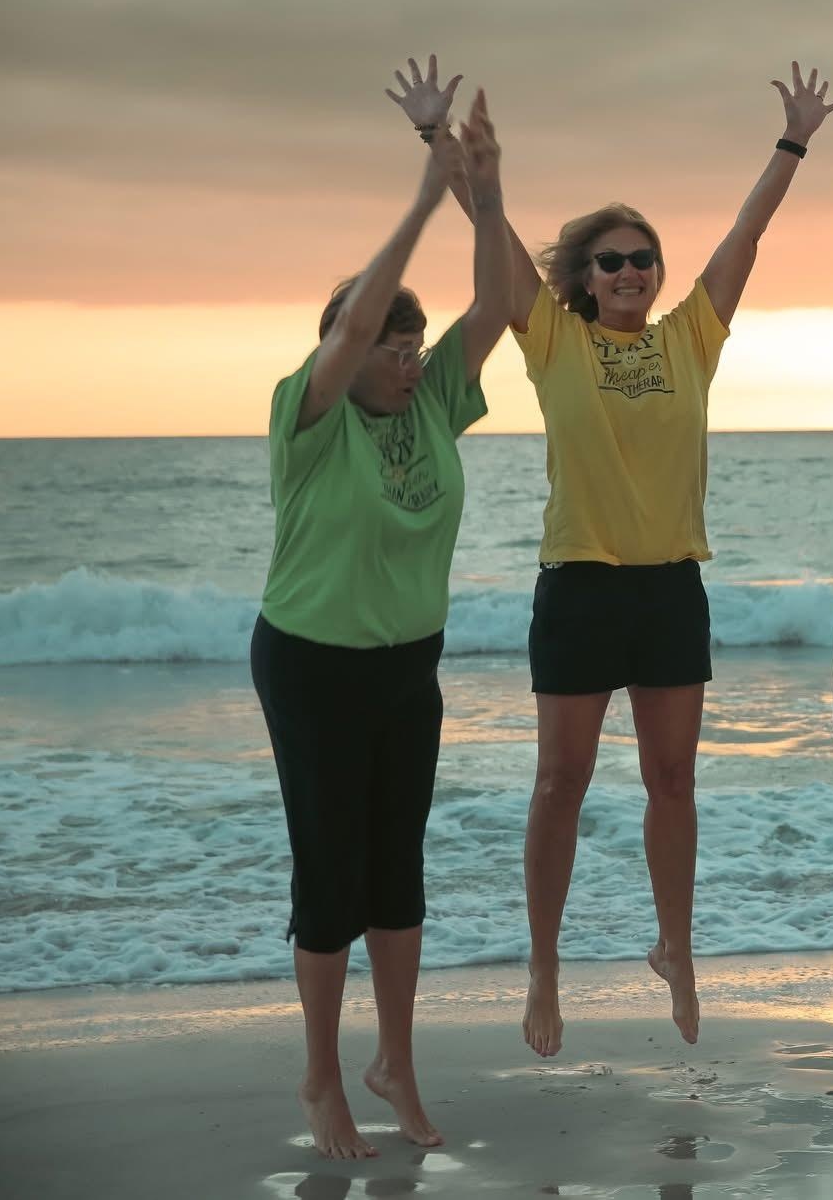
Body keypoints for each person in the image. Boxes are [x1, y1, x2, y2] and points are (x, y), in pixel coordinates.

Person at [386, 57, 833, 1057]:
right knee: (561, 782)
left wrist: (791, 143)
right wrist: (442, 145)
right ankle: (543, 970)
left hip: (671, 588)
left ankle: (673, 946)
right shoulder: (551, 339)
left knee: (672, 781)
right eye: (611, 262)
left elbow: (744, 235)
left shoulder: (690, 340)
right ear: (580, 280)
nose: (631, 272)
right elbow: (489, 235)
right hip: (580, 588)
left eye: (642, 258)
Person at [251, 92, 510, 1159]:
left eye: (412, 341)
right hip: (311, 665)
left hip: (411, 664)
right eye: (387, 342)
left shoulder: (436, 401)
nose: (405, 355)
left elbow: (494, 310)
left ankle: (394, 1060)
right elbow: (354, 316)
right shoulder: (304, 418)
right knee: (331, 874)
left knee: (397, 873)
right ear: (341, 353)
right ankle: (321, 1076)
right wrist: (421, 189)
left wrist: (484, 196)